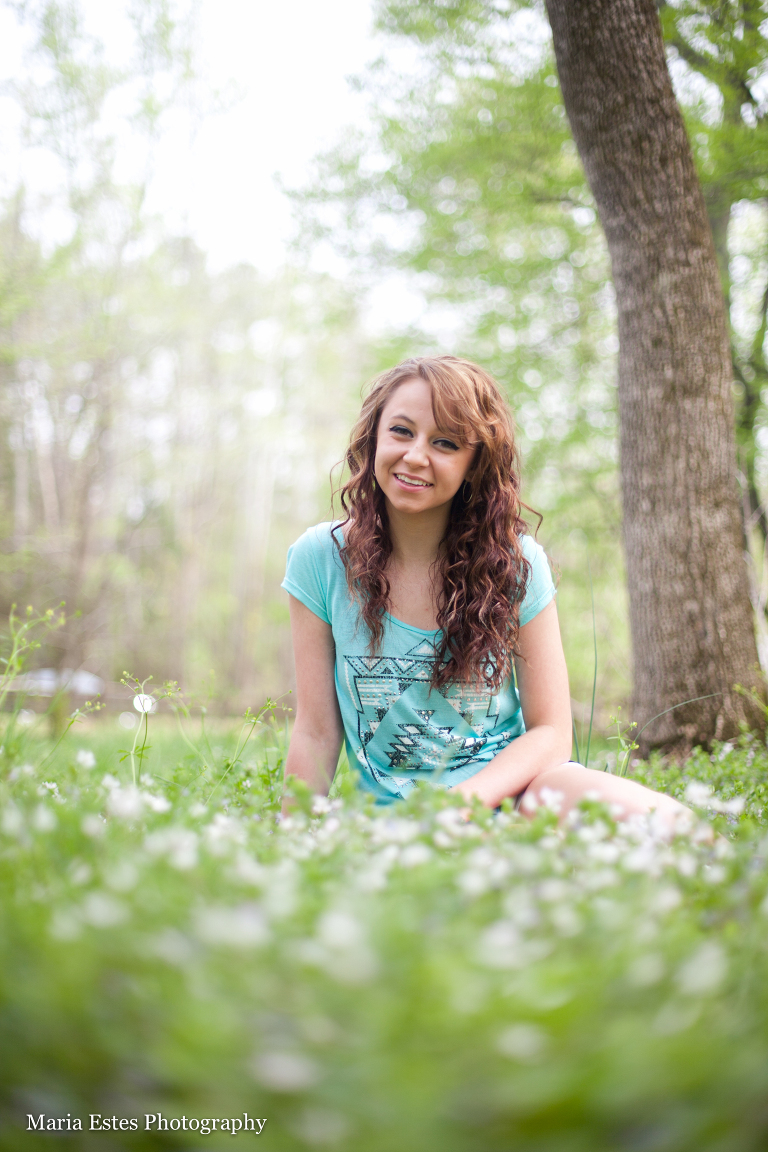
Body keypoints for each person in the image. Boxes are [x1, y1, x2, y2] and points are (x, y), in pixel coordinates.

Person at [281, 355, 688, 828]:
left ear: (476, 464)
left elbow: (552, 732)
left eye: (446, 443)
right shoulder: (321, 559)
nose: (415, 455)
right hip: (394, 828)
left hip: (516, 799)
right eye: (401, 431)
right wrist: (292, 843)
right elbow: (314, 733)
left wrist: (462, 806)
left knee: (639, 813)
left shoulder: (517, 564)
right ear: (373, 437)